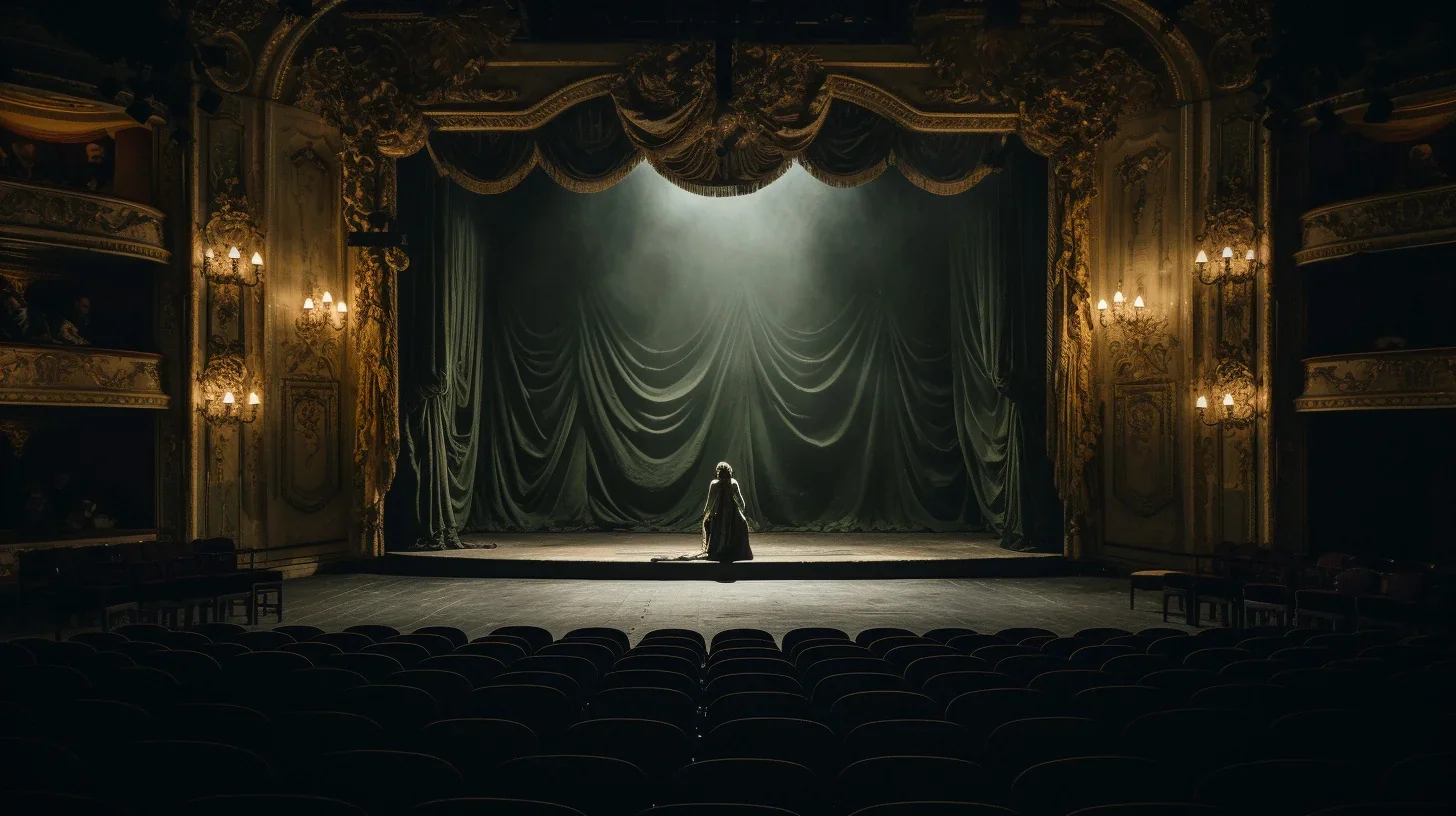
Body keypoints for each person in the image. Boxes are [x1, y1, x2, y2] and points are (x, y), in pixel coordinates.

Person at [653, 461, 754, 563]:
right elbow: (740, 502)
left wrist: (707, 513)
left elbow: (710, 502)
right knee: (737, 524)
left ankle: (721, 549)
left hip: (727, 511)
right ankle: (727, 549)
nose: (724, 479)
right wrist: (741, 510)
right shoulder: (727, 483)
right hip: (728, 511)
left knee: (723, 525)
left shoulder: (721, 484)